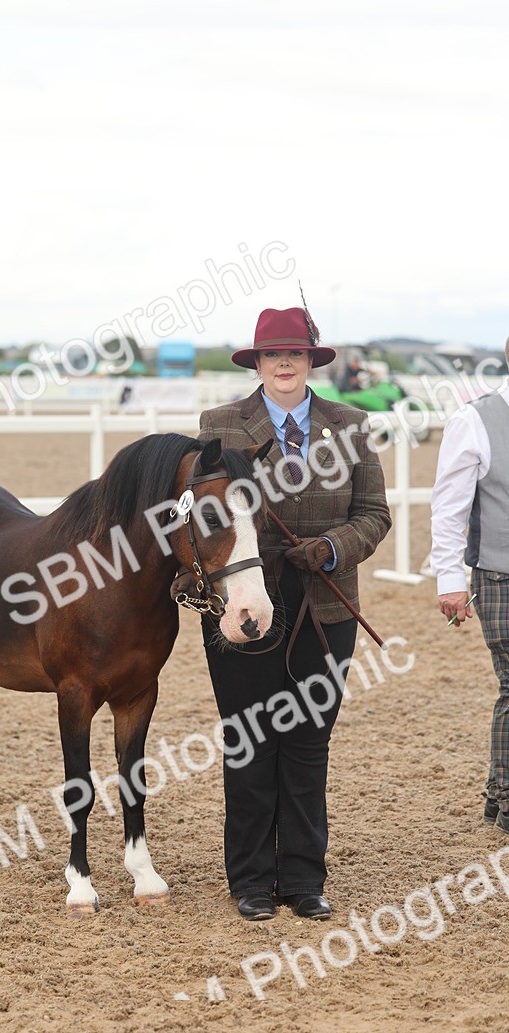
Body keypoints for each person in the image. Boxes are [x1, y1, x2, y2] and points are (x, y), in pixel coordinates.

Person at [198, 307, 392, 920]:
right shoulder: (221, 426)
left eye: (296, 354)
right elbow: (201, 516)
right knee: (250, 743)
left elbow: (375, 514)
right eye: (272, 355)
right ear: (256, 362)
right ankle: (252, 881)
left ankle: (304, 879)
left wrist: (333, 549)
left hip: (326, 611)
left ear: (312, 361)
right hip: (243, 611)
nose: (285, 363)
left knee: (308, 745)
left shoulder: (352, 426)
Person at [430, 339, 509, 835]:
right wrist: (449, 579)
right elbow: (450, 506)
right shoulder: (476, 420)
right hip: (500, 574)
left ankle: (497, 793)